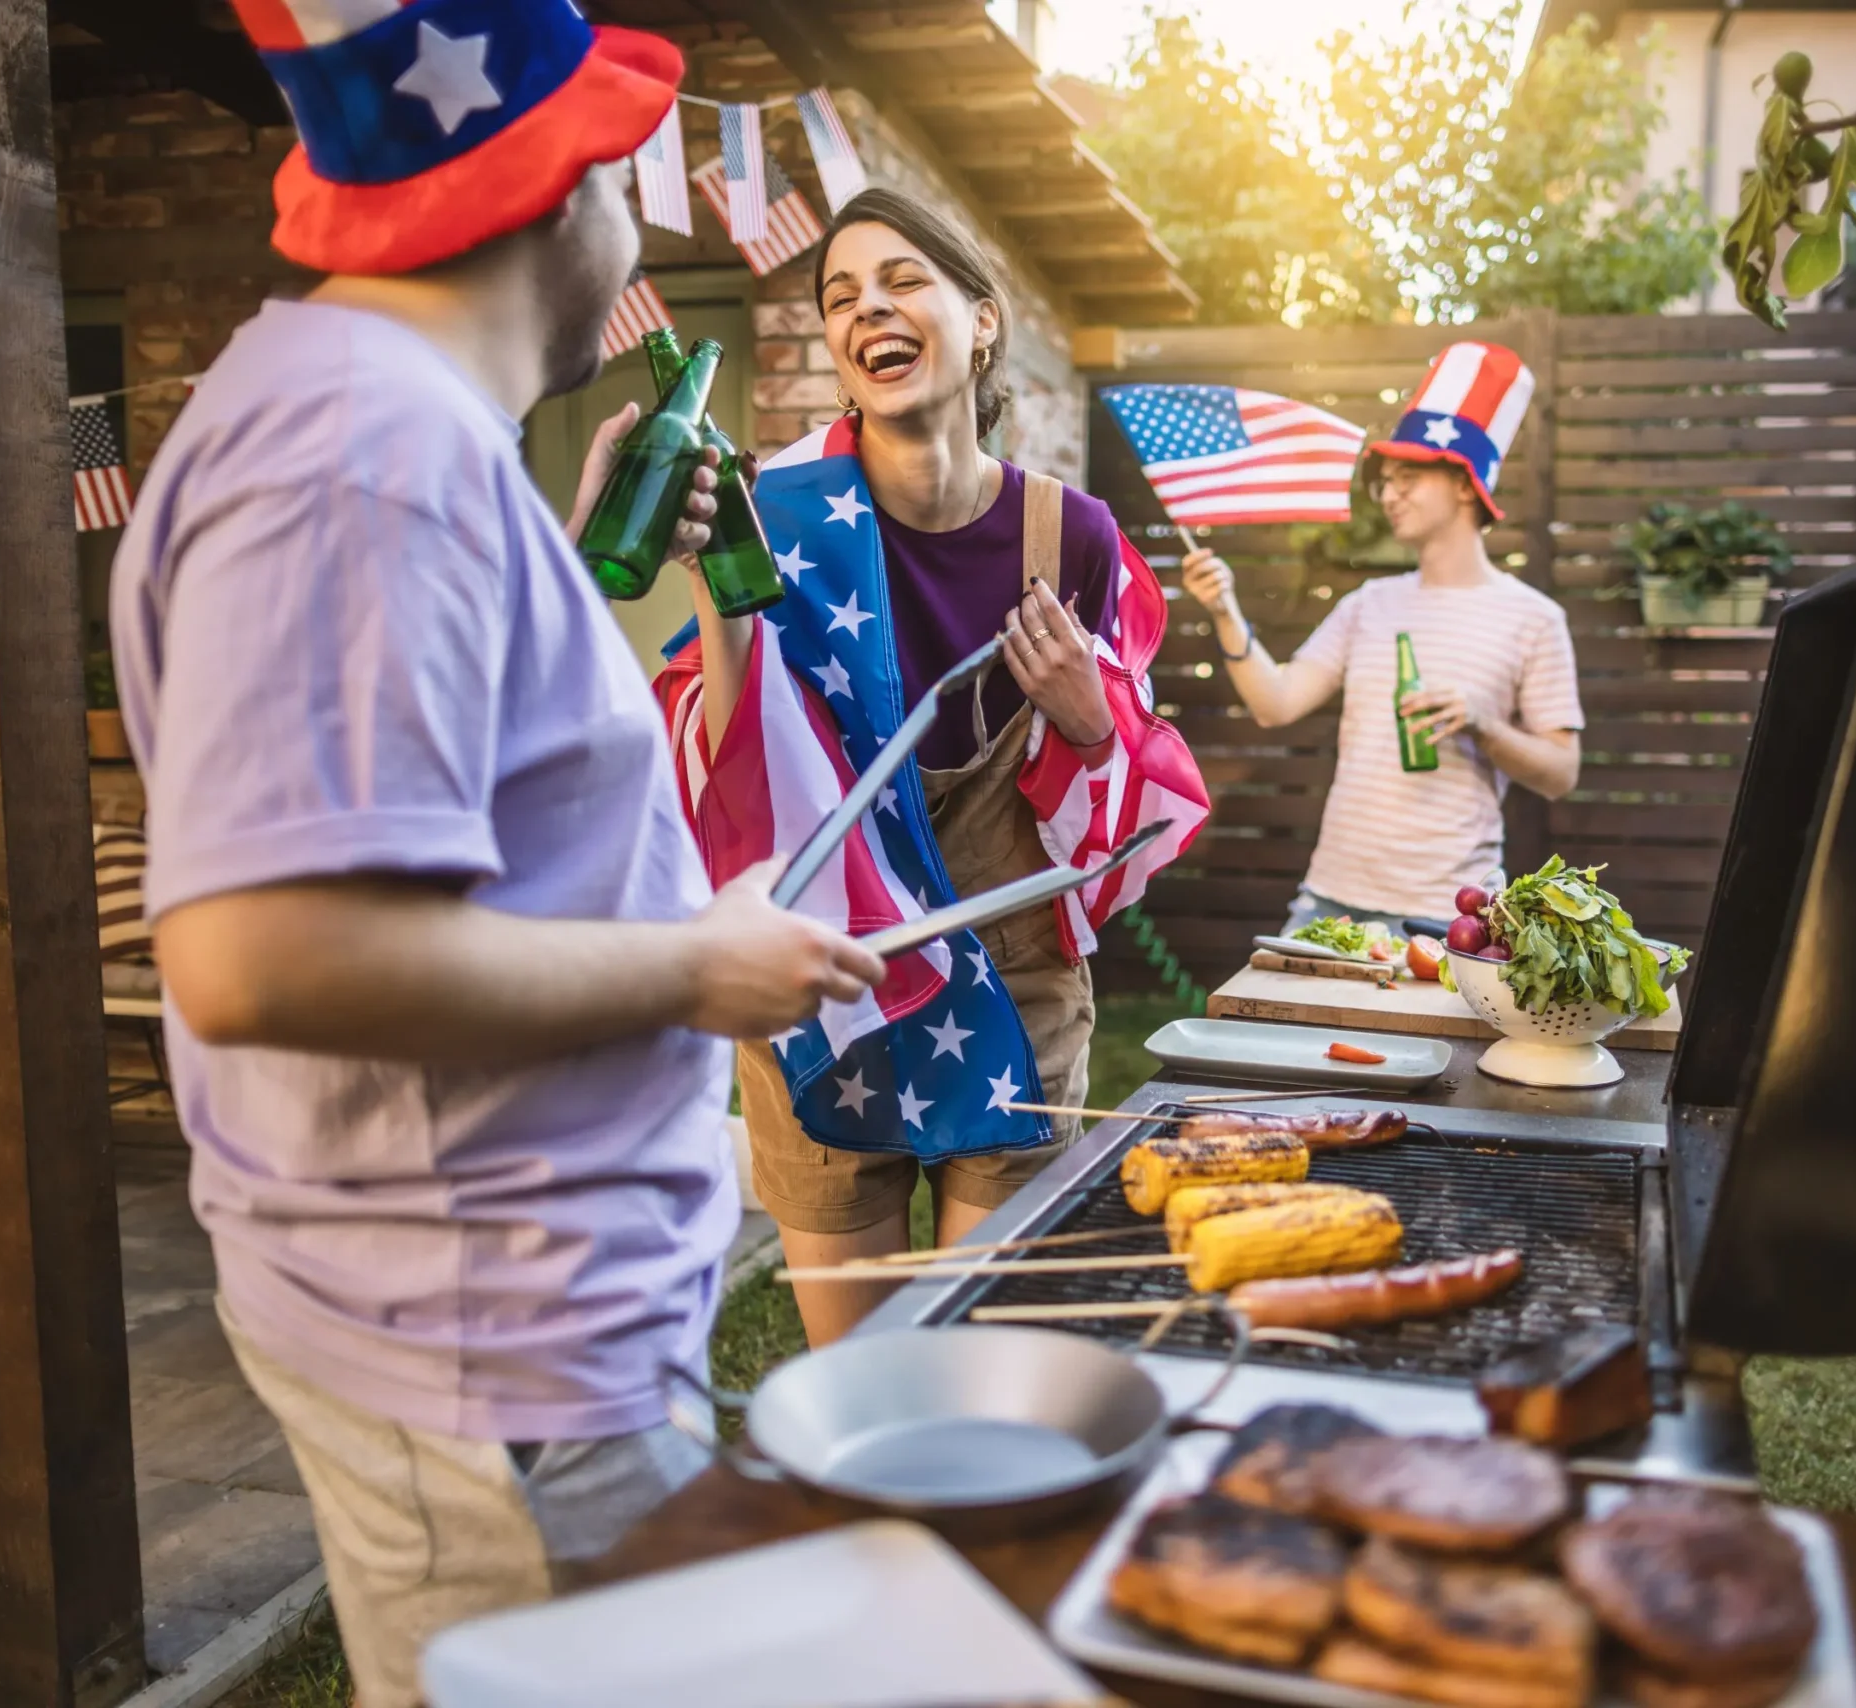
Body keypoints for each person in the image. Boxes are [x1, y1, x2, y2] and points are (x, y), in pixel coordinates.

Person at [108, 8, 883, 1701]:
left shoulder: (388, 439)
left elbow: (446, 787)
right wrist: (698, 965)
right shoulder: (363, 457)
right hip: (502, 1351)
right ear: (560, 182)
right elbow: (265, 951)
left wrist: (564, 561)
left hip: (507, 1326)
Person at [657, 187, 1209, 1347]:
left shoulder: (1074, 539)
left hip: (1015, 987)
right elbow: (724, 777)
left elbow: (1129, 823)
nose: (869, 311)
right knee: (856, 1373)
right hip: (828, 983)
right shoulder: (779, 517)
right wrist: (724, 604)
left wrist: (1089, 721)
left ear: (983, 319)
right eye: (840, 297)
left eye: (902, 280)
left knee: (987, 1364)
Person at [1180, 342, 1583, 935]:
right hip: (1330, 899)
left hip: (1454, 915)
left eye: (1408, 477)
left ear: (1467, 485)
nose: (1388, 493)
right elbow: (1276, 703)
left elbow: (1561, 772)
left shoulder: (1534, 617)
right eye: (1385, 480)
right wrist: (1224, 611)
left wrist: (1482, 722)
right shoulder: (1368, 604)